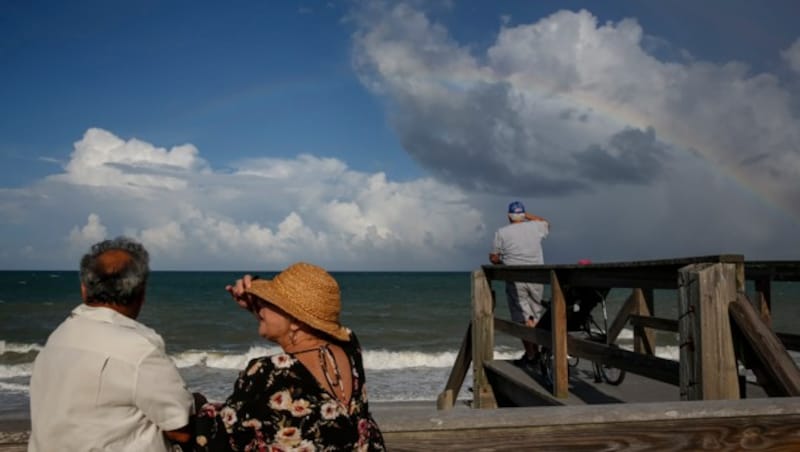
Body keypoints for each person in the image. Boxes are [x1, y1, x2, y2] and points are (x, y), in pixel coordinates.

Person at [194, 262, 385, 451]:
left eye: (269, 303)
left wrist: (199, 407)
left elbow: (223, 432)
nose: (261, 308)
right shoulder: (350, 347)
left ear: (295, 320)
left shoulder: (266, 372)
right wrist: (258, 307)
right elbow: (297, 338)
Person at [28, 237, 195, 451]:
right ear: (141, 293)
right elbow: (180, 429)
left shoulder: (59, 337)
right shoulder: (140, 350)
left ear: (84, 290)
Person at [489, 201, 550, 369]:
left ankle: (532, 354)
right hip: (538, 277)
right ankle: (536, 353)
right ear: (523, 215)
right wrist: (527, 216)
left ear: (509, 215)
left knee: (523, 317)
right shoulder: (535, 227)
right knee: (535, 314)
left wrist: (500, 262)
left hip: (516, 278)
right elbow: (547, 223)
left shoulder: (501, 232)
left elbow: (494, 258)